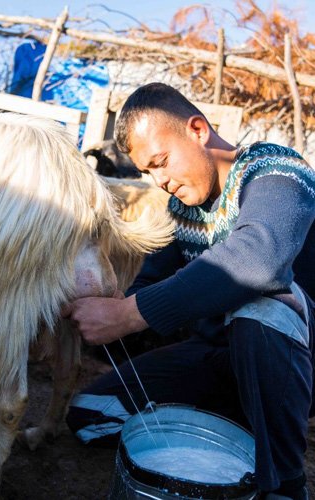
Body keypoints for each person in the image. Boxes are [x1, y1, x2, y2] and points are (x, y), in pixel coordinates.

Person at [64, 82, 315, 499]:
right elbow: (149, 286)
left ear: (197, 130)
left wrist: (128, 314)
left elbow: (258, 260)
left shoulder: (277, 172)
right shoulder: (184, 211)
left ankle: (286, 483)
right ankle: (234, 433)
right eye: (147, 172)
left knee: (262, 303)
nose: (158, 181)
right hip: (222, 360)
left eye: (161, 162)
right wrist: (99, 303)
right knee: (92, 414)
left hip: (296, 356)